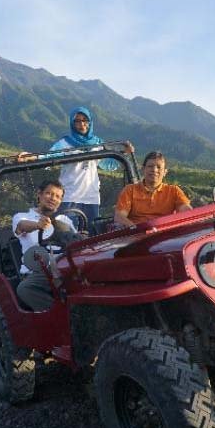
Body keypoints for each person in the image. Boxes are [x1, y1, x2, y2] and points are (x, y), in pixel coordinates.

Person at [47, 106, 133, 229]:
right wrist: (28, 158)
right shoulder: (64, 143)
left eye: (85, 120)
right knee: (67, 236)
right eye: (77, 121)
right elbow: (47, 158)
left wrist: (125, 153)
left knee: (91, 237)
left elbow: (109, 165)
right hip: (69, 197)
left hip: (91, 198)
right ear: (72, 123)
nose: (82, 124)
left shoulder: (98, 143)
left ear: (90, 122)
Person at [14, 180, 77, 311]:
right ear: (39, 194)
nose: (53, 198)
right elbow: (21, 226)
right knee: (25, 289)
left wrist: (82, 236)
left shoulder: (64, 220)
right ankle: (63, 314)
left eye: (58, 196)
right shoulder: (23, 217)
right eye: (49, 193)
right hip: (39, 270)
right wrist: (38, 225)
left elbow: (76, 241)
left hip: (66, 266)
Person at [114, 151, 192, 227]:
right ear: (143, 169)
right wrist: (136, 230)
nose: (154, 170)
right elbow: (119, 217)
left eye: (158, 167)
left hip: (165, 236)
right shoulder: (130, 190)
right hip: (136, 235)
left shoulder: (174, 191)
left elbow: (186, 212)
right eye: (150, 166)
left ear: (165, 172)